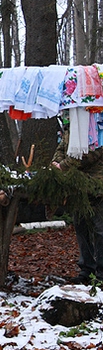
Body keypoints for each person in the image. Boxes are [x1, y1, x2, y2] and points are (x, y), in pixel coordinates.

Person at [51, 120, 103, 284]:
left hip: (97, 186)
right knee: (81, 228)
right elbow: (62, 147)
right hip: (77, 188)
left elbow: (92, 152)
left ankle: (101, 273)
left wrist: (64, 166)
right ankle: (87, 269)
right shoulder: (70, 123)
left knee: (100, 230)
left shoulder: (97, 121)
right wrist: (56, 163)